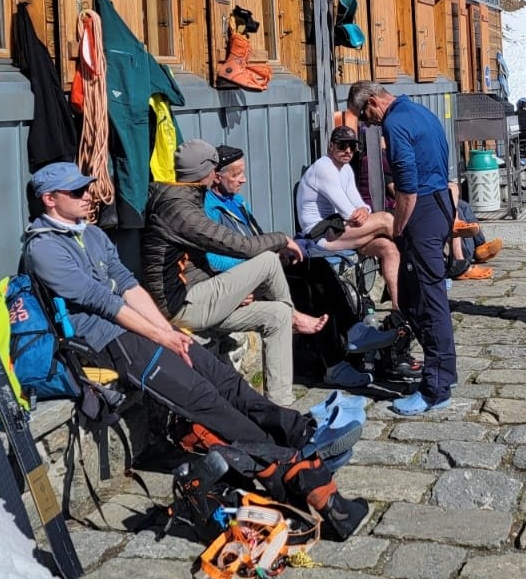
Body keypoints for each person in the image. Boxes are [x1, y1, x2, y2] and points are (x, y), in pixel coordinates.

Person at [23, 162, 328, 465]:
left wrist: (169, 333)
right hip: (105, 341)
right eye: (77, 191)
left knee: (221, 376)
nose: (88, 195)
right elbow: (101, 301)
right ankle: (278, 458)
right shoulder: (44, 249)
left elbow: (129, 286)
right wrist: (161, 336)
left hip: (137, 325)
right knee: (199, 396)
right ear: (50, 198)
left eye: (87, 188)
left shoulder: (93, 234)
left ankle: (296, 431)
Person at [141, 139, 326, 407]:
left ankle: (281, 408)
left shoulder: (184, 199)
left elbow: (197, 264)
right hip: (182, 306)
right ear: (207, 172)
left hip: (200, 297)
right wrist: (282, 238)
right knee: (268, 260)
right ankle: (296, 316)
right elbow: (239, 246)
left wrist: (230, 295)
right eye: (216, 168)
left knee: (277, 315)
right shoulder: (179, 210)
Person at [346, 79, 459, 416]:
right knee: (411, 296)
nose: (369, 125)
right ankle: (442, 370)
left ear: (371, 103)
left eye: (365, 119)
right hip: (439, 204)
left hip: (421, 208)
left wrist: (397, 225)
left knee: (428, 298)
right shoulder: (421, 111)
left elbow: (407, 188)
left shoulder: (394, 123)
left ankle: (435, 388)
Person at [295, 126, 402, 307]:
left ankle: (400, 308)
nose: (348, 151)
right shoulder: (324, 168)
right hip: (320, 235)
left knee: (389, 248)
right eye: (342, 145)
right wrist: (359, 212)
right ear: (330, 146)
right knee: (386, 219)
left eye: (352, 146)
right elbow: (347, 211)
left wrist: (364, 210)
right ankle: (420, 259)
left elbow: (359, 204)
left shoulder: (345, 169)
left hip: (340, 228)